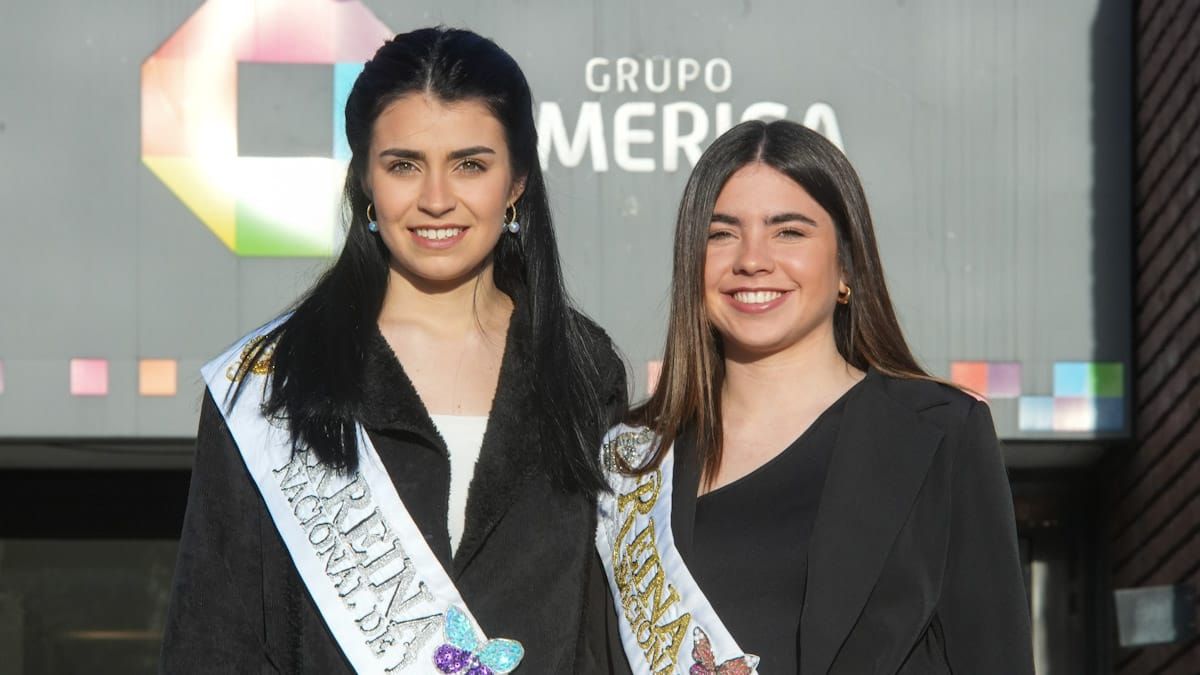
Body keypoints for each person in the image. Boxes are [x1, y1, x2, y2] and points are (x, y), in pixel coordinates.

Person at [160, 27, 628, 674]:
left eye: (471, 164)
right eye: (404, 165)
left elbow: (604, 637)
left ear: (517, 181)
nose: (436, 198)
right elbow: (215, 643)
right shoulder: (272, 383)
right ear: (365, 181)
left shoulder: (584, 369)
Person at [596, 120, 1034, 674]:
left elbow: (994, 657)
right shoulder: (632, 461)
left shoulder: (941, 432)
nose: (752, 259)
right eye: (722, 233)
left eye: (789, 232)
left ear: (847, 265)